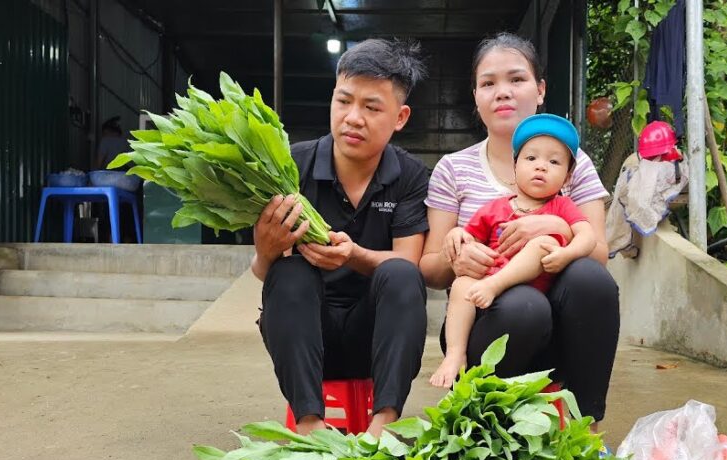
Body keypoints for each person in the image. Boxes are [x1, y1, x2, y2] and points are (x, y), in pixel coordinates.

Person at [420, 33, 619, 425]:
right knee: (526, 308)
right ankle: (492, 426)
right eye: (488, 83)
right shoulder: (453, 169)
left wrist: (557, 224)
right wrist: (458, 256)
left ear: (540, 90)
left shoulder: (572, 163)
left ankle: (586, 426)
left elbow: (598, 255)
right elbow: (429, 269)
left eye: (516, 79)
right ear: (475, 96)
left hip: (560, 330)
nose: (502, 93)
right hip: (483, 323)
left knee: (590, 281)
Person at [250, 39, 430, 436]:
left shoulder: (411, 175)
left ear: (399, 117)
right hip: (310, 339)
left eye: (371, 107)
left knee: (402, 275)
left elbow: (408, 262)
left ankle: (381, 429)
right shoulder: (290, 165)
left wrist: (354, 255)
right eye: (343, 101)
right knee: (289, 272)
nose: (353, 118)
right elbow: (263, 272)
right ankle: (311, 428)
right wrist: (266, 250)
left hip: (378, 340)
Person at [430, 114, 597, 387]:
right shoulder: (495, 207)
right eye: (531, 159)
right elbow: (470, 239)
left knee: (544, 244)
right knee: (461, 284)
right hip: (489, 296)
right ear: (515, 165)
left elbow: (588, 236)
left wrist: (566, 254)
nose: (541, 167)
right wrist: (456, 234)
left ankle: (496, 285)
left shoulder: (562, 207)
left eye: (553, 162)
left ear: (567, 177)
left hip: (529, 296)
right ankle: (454, 353)